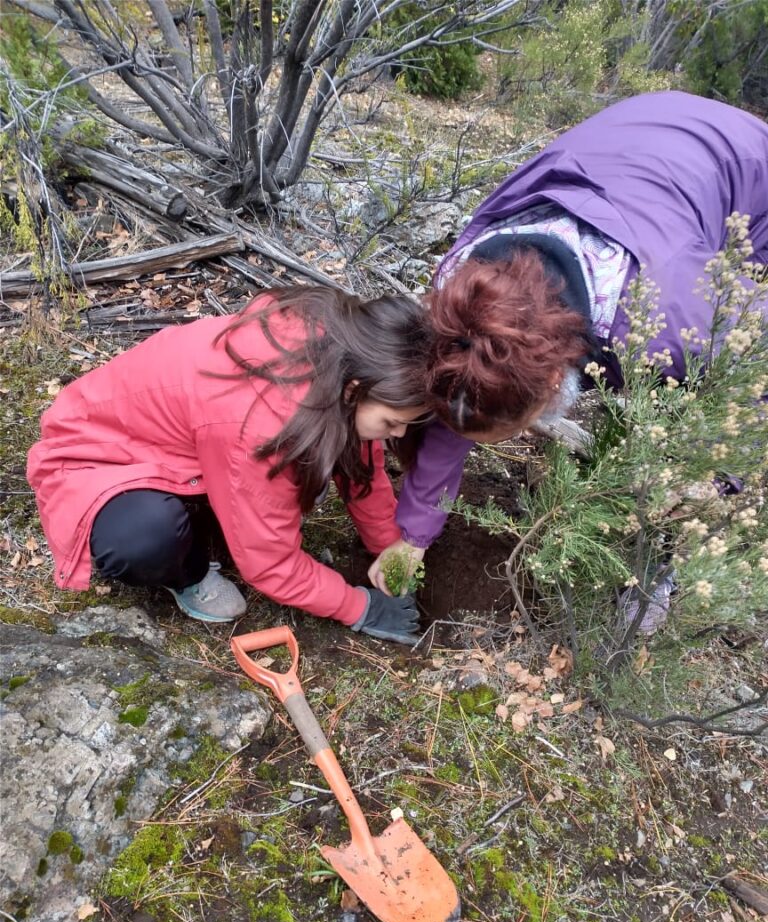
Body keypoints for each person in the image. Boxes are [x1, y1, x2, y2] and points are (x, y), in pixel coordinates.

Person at [368, 90, 768, 592]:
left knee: (691, 392)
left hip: (747, 170)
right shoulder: (464, 293)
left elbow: (754, 362)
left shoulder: (669, 316)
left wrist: (712, 475)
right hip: (628, 141)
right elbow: (465, 399)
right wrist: (413, 537)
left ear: (556, 379)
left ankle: (656, 576)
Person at [28, 286, 431, 644]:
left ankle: (205, 519)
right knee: (146, 539)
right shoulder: (263, 422)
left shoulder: (343, 358)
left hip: (195, 445)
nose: (396, 435)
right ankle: (187, 572)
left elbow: (363, 467)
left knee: (294, 471)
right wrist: (358, 607)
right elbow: (270, 565)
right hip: (100, 457)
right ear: (354, 391)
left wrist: (388, 545)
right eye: (391, 422)